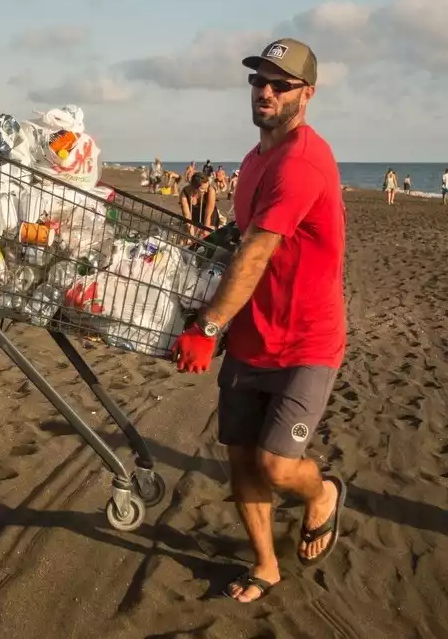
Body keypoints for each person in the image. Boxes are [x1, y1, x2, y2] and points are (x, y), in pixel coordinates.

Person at [170, 38, 347, 603]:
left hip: (306, 342)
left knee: (275, 462)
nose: (265, 91)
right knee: (242, 459)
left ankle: (321, 496)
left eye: (280, 83)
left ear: (307, 93)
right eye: (258, 80)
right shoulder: (252, 161)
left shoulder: (301, 161)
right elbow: (240, 238)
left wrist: (206, 328)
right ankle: (266, 564)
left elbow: (259, 250)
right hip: (252, 336)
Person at [180, 171, 224, 237]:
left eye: (207, 187)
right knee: (188, 236)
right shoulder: (184, 193)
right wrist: (191, 233)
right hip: (194, 214)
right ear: (194, 187)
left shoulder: (210, 190)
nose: (206, 190)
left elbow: (208, 214)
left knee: (207, 235)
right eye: (203, 189)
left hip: (210, 215)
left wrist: (205, 230)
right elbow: (187, 216)